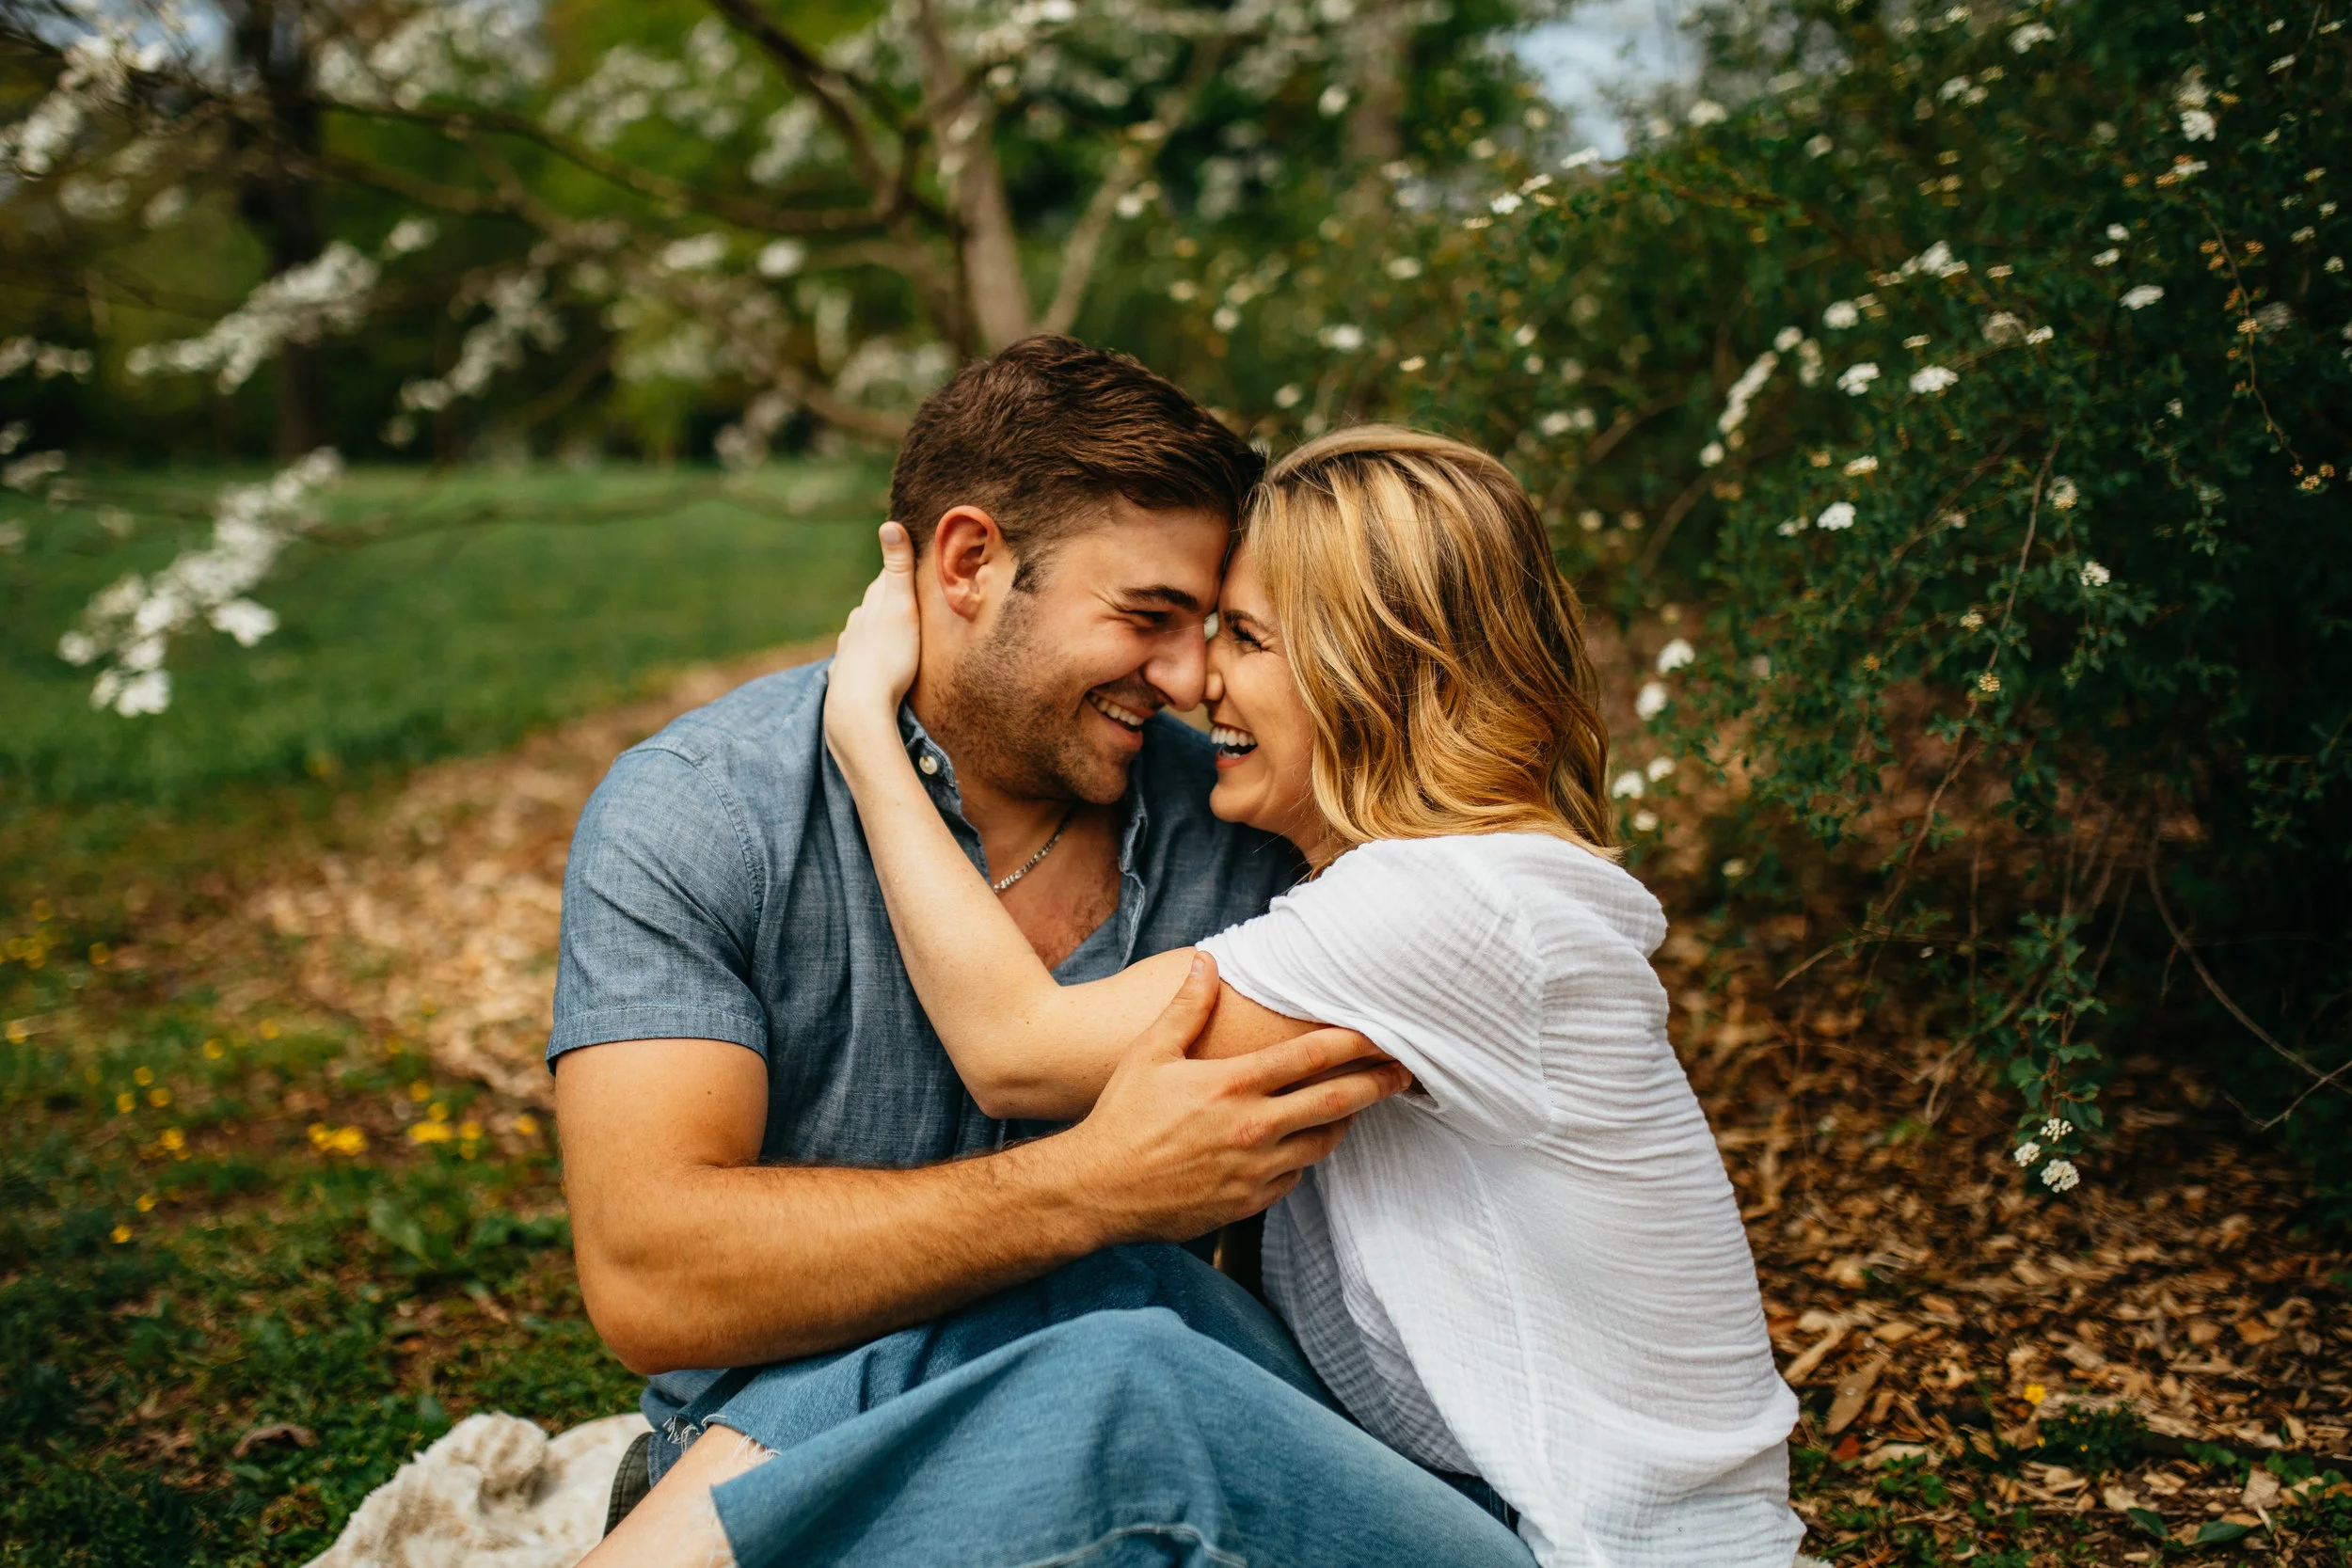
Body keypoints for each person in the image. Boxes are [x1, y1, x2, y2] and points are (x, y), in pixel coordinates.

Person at [558, 340, 1515, 1565]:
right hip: (792, 1464)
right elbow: (652, 1278)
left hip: (1148, 1439)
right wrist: (1088, 1189)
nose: (1187, 678)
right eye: (1148, 616)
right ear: (968, 562)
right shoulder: (706, 813)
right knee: (1104, 1304)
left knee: (1120, 1319)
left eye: (1212, 628)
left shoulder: (1248, 827)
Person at [782, 425, 1808, 1566]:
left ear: (1379, 668)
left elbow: (1014, 1046)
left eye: (1248, 637)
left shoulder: (1455, 904)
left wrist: (867, 732)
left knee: (1138, 1382)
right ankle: (719, 1505)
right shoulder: (1428, 888)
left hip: (1596, 1549)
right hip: (1469, 1499)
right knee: (1107, 1276)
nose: (1197, 679)